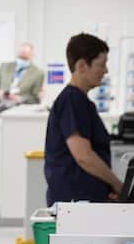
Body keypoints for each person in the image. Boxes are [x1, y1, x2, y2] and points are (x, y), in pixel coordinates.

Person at [44, 33, 123, 205]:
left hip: (84, 200)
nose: (106, 71)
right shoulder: (72, 100)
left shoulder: (81, 102)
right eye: (101, 64)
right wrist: (117, 185)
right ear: (81, 66)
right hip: (76, 202)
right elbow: (83, 156)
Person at [0, 42, 44, 112]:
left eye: (25, 55)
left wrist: (20, 99)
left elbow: (36, 98)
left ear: (32, 55)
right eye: (21, 54)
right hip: (0, 109)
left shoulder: (38, 73)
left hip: (21, 111)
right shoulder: (4, 67)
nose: (22, 57)